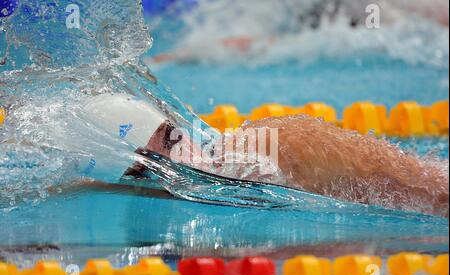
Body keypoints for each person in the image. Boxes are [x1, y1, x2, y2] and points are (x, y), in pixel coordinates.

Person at [75, 94, 448, 217]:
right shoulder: (170, 188)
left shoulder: (271, 145)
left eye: (173, 137)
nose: (177, 161)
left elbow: (427, 185)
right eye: (143, 170)